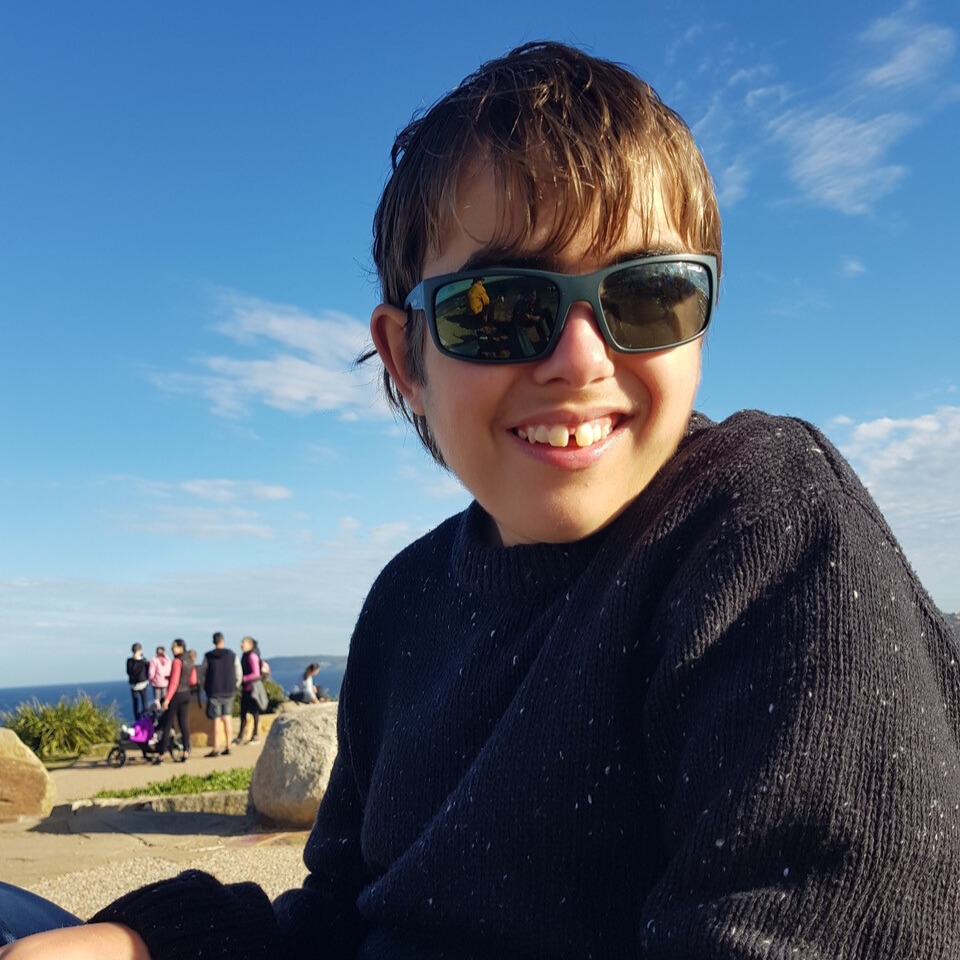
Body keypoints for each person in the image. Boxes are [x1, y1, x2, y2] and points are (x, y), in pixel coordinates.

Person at [4, 40, 960, 960]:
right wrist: (154, 939)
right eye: (499, 306)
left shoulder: (764, 523)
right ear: (404, 357)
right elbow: (343, 914)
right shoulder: (406, 601)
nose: (583, 360)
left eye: (647, 294)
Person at [201, 632, 238, 757]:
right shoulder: (232, 655)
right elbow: (238, 672)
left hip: (214, 691)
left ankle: (216, 747)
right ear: (223, 640)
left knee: (216, 720)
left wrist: (204, 686)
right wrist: (235, 685)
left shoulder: (208, 656)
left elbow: (203, 673)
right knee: (227, 718)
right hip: (229, 690)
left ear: (213, 641)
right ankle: (229, 745)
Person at [155, 639, 191, 763]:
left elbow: (174, 682)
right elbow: (193, 679)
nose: (172, 649)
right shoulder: (189, 659)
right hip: (187, 693)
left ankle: (162, 754)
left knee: (167, 723)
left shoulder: (177, 661)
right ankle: (186, 751)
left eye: (174, 647)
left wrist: (167, 700)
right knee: (183, 723)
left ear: (181, 647)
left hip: (177, 694)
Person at [233, 635, 263, 746]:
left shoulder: (252, 657)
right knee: (243, 713)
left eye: (243, 642)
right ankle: (241, 736)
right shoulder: (245, 656)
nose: (241, 644)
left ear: (250, 645)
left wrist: (243, 678)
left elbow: (256, 674)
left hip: (252, 689)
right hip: (246, 688)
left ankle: (255, 735)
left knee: (254, 712)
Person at [124, 643, 150, 720]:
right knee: (136, 703)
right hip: (134, 684)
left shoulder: (144, 661)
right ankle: (138, 720)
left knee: (144, 703)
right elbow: (130, 671)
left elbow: (147, 671)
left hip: (143, 683)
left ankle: (145, 719)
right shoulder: (130, 661)